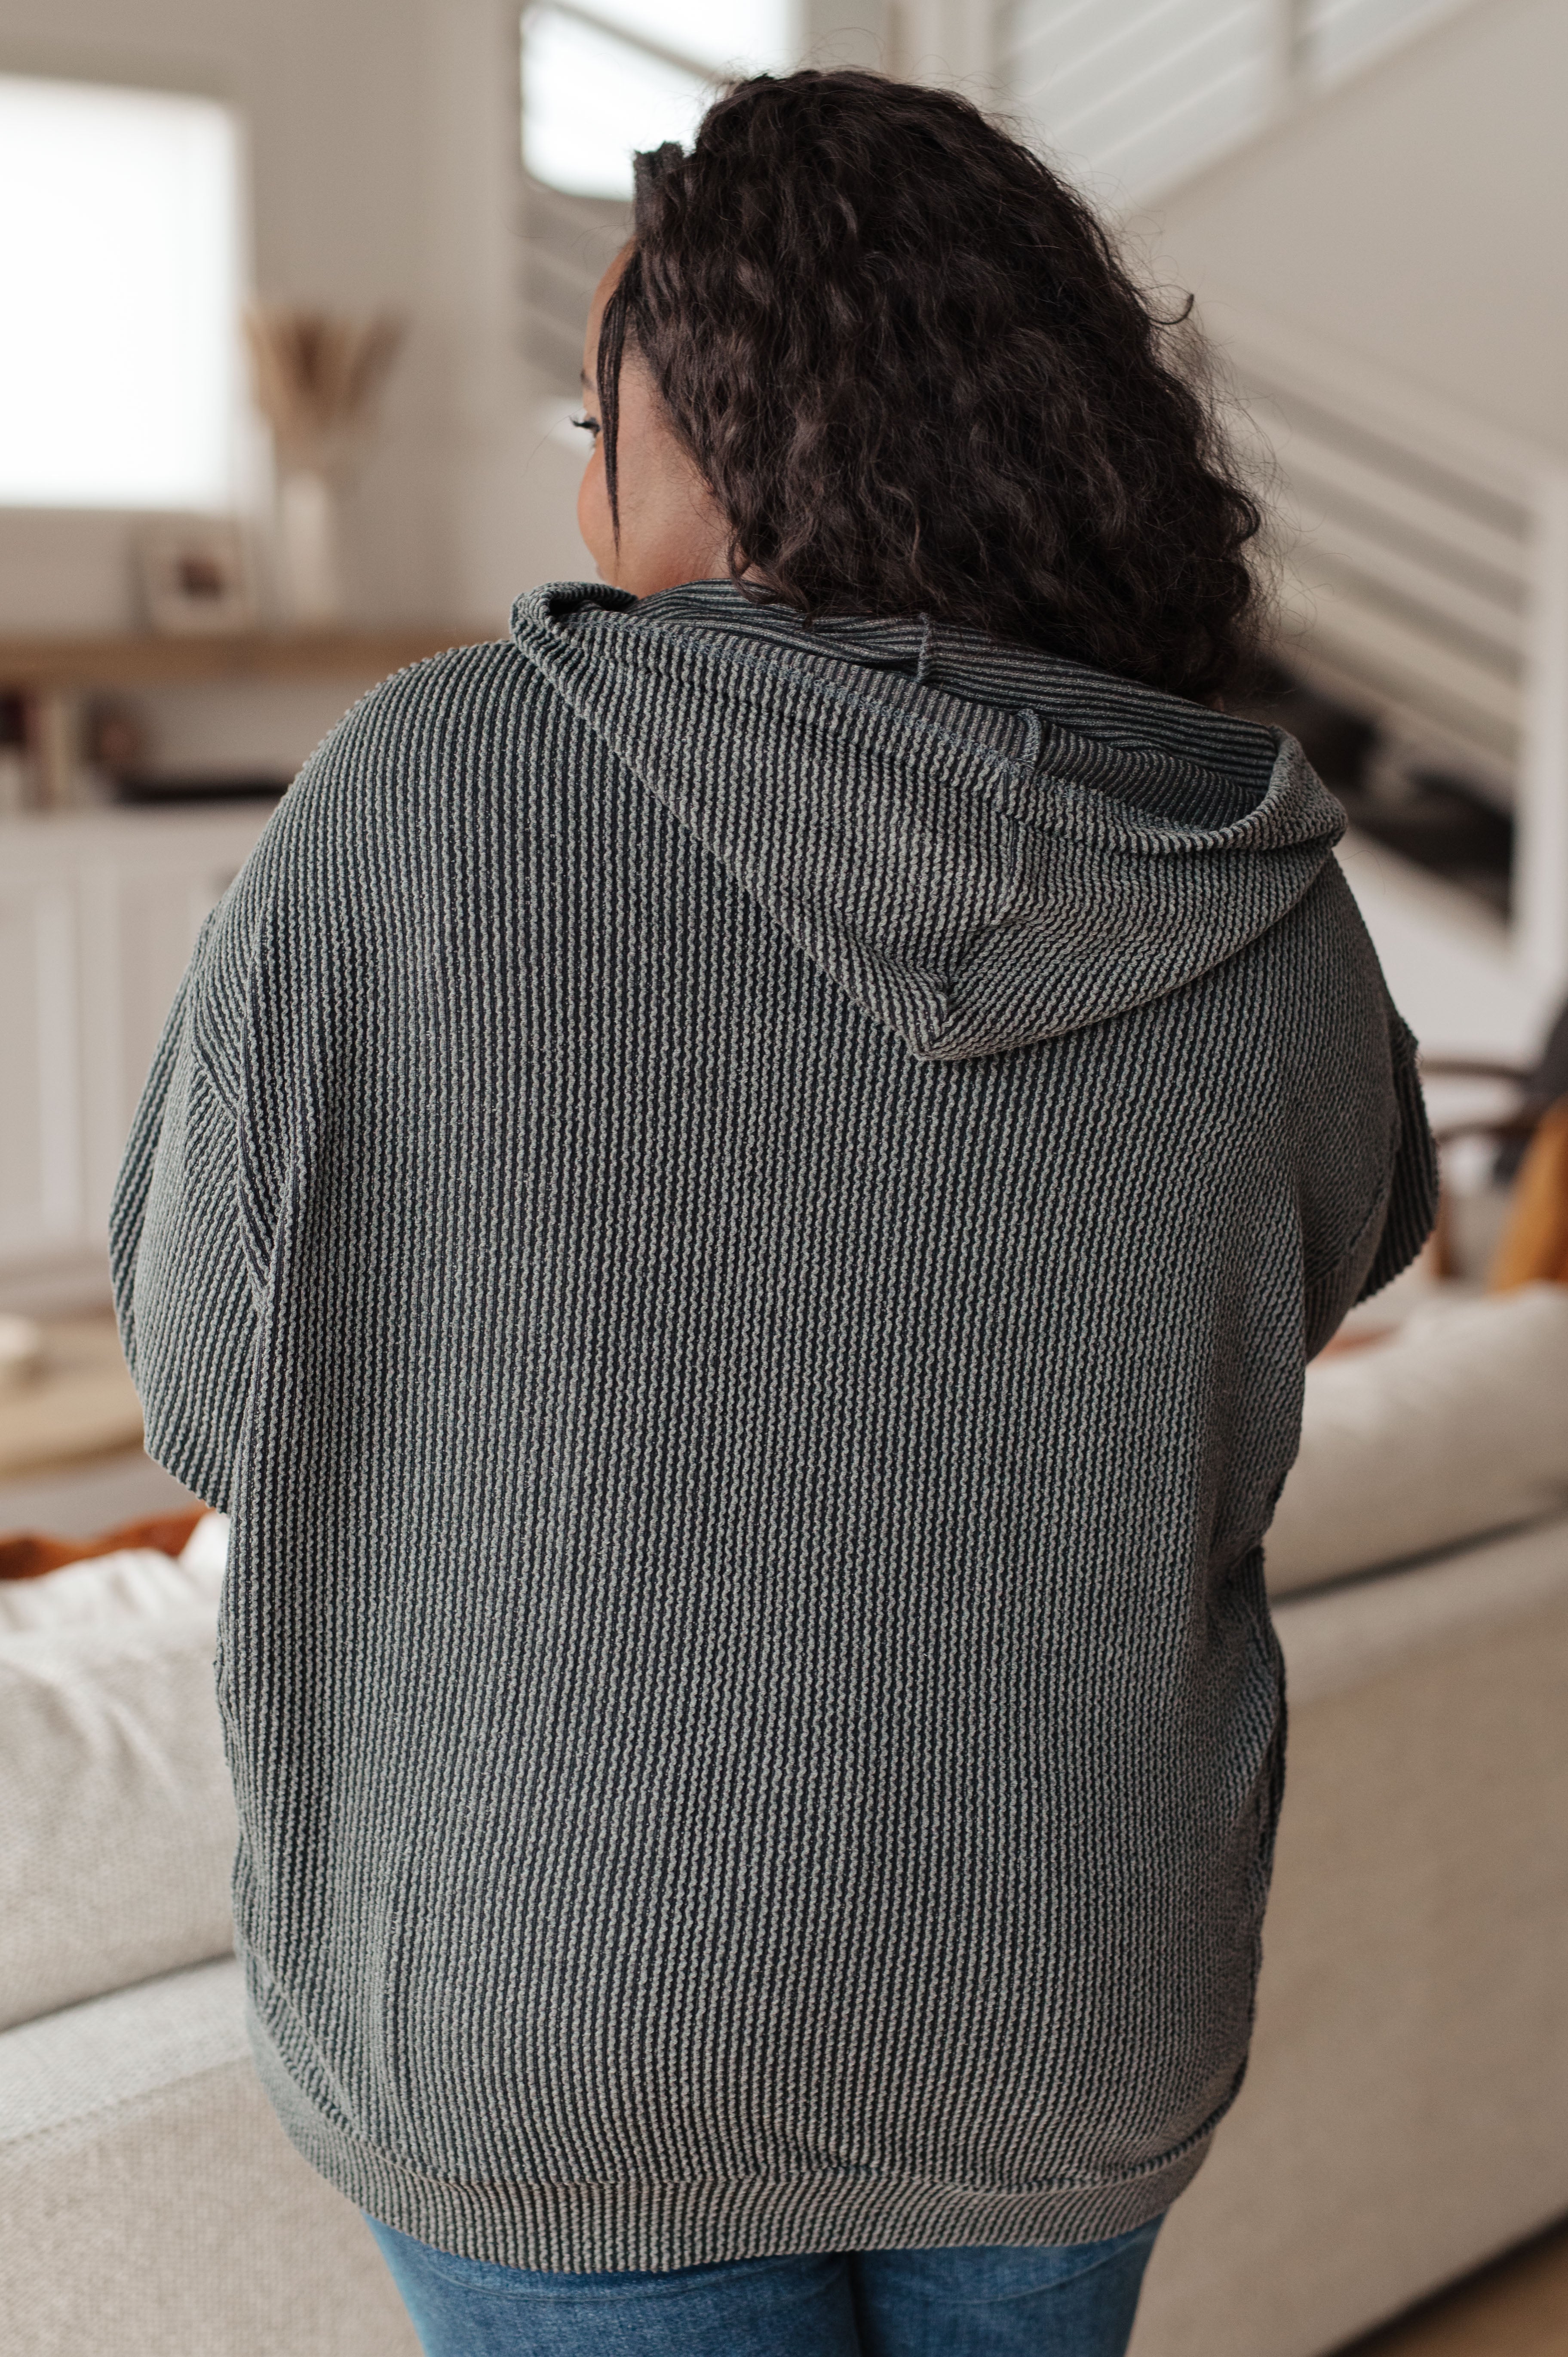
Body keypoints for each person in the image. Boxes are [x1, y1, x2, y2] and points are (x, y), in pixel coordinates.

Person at [111, 68, 1437, 2357]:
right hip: (1065, 1990)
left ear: (735, 431)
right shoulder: (1248, 873)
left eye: (600, 390)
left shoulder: (422, 791)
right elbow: (1307, 1284)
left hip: (555, 2023)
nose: (578, 454)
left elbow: (219, 1393)